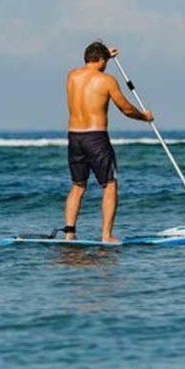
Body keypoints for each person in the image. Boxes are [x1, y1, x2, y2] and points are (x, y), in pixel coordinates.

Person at [62, 40, 154, 243]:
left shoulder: (72, 76)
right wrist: (144, 117)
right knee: (109, 185)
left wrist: (104, 56)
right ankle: (106, 235)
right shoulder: (107, 80)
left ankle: (69, 233)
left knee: (78, 185)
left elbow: (92, 69)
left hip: (74, 137)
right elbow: (126, 109)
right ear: (102, 59)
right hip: (96, 137)